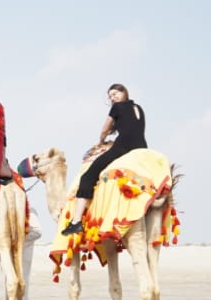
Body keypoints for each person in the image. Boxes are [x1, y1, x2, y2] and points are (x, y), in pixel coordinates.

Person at [62, 84, 147, 235]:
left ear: (123, 92)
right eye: (111, 96)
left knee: (88, 176)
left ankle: (76, 221)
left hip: (124, 146)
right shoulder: (138, 108)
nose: (113, 98)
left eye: (115, 94)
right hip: (142, 147)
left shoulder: (117, 108)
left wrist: (101, 140)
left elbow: (105, 129)